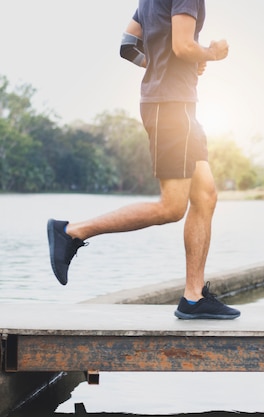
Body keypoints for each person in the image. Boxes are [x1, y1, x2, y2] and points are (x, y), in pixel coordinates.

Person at [46, 0, 240, 320]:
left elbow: (127, 45)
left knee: (205, 196)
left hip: (178, 106)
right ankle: (71, 232)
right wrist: (209, 52)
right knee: (172, 207)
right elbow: (182, 46)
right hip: (171, 107)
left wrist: (169, 62)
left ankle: (193, 297)